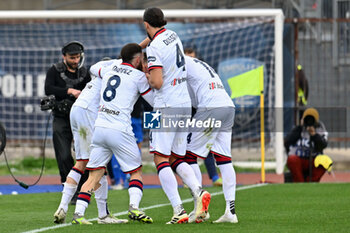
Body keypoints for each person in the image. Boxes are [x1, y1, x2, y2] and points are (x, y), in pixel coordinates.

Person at [142, 7, 211, 224]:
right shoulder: (174, 35)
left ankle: (178, 209)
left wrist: (147, 75)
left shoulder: (154, 48)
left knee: (159, 158)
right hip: (184, 105)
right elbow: (155, 40)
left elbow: (157, 82)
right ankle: (199, 194)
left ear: (146, 24)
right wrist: (141, 45)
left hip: (164, 106)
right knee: (176, 158)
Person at [72, 43, 153, 224]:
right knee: (136, 172)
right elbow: (154, 100)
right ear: (139, 59)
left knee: (94, 175)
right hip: (120, 129)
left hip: (100, 128)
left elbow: (93, 68)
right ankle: (134, 208)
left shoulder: (108, 68)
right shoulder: (139, 77)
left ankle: (78, 214)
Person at [53, 57, 127, 224]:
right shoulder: (115, 76)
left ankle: (63, 206)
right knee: (98, 164)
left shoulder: (95, 75)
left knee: (82, 162)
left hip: (77, 109)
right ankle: (100, 215)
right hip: (88, 113)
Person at [184, 55, 238, 223]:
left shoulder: (178, 63)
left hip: (211, 107)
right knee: (224, 160)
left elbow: (188, 100)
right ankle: (231, 212)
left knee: (188, 157)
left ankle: (199, 208)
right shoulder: (201, 64)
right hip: (227, 106)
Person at [45, 41, 91, 202]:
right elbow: (48, 89)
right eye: (72, 57)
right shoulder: (54, 70)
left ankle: (84, 189)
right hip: (61, 117)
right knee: (63, 154)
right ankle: (68, 188)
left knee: (84, 154)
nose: (75, 60)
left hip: (81, 119)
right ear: (64, 56)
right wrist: (69, 91)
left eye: (77, 57)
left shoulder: (85, 73)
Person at [184, 47, 223, 187]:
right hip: (184, 114)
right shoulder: (180, 73)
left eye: (192, 57)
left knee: (203, 147)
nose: (190, 59)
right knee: (184, 149)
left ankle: (212, 178)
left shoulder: (200, 72)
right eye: (187, 57)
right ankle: (187, 177)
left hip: (201, 112)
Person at [285, 108, 328, 182]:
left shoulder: (320, 129)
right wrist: (300, 127)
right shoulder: (299, 129)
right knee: (292, 159)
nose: (309, 122)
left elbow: (323, 145)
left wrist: (314, 135)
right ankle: (300, 183)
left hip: (314, 160)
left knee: (325, 161)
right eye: (307, 119)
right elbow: (287, 141)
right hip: (300, 159)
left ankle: (311, 182)